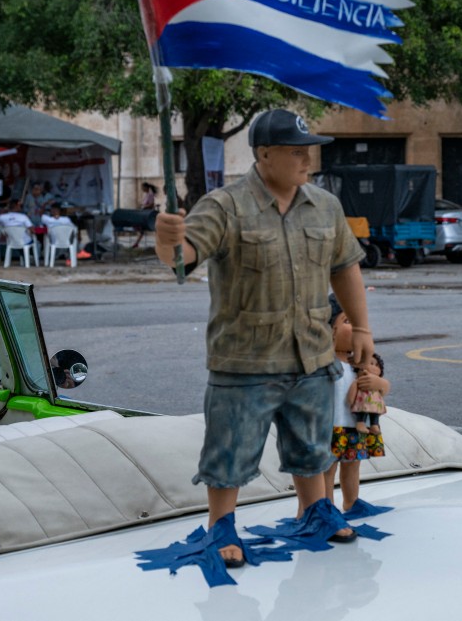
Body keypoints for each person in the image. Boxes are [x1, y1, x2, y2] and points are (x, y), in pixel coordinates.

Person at [152, 108, 373, 567]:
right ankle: (221, 527)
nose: (307, 161)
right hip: (245, 359)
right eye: (297, 152)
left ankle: (317, 511)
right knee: (229, 449)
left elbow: (344, 267)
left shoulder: (324, 206)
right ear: (265, 154)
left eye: (309, 152)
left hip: (310, 353)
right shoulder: (225, 205)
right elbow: (184, 256)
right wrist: (168, 241)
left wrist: (362, 327)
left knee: (312, 445)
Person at [322, 300, 389, 516]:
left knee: (352, 465)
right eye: (348, 321)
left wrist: (381, 384)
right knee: (327, 469)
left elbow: (381, 386)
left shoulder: (360, 365)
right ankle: (326, 507)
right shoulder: (325, 364)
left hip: (355, 426)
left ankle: (351, 502)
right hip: (329, 426)